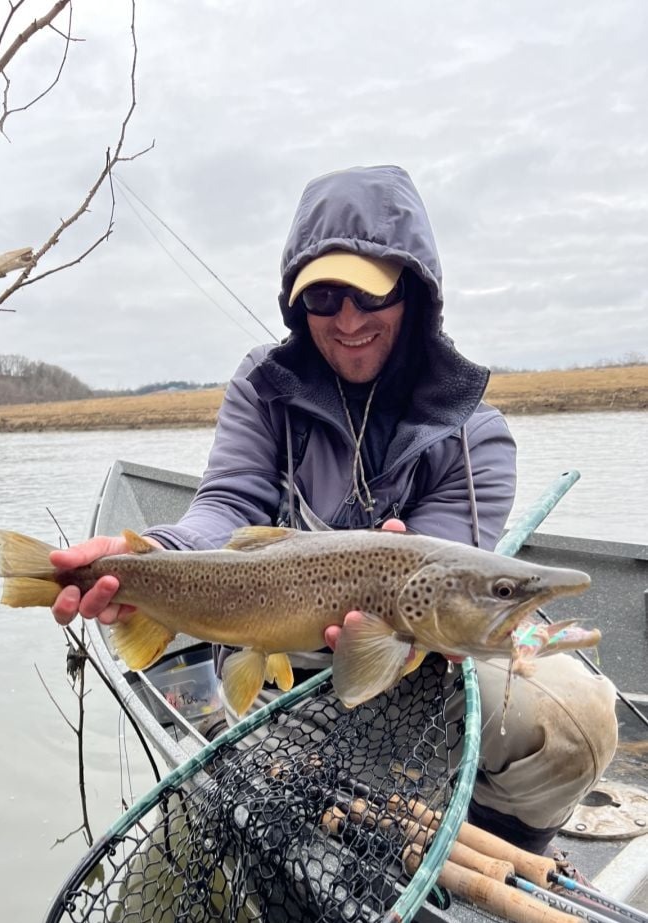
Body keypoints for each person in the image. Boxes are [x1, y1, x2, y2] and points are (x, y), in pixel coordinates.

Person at [51, 165, 617, 855]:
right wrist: (155, 557)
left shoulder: (478, 438)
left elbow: (441, 599)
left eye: (371, 293)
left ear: (412, 291)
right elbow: (226, 504)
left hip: (417, 671)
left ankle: (498, 842)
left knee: (582, 719)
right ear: (298, 304)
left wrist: (404, 603)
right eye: (324, 296)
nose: (348, 320)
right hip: (274, 655)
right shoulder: (265, 388)